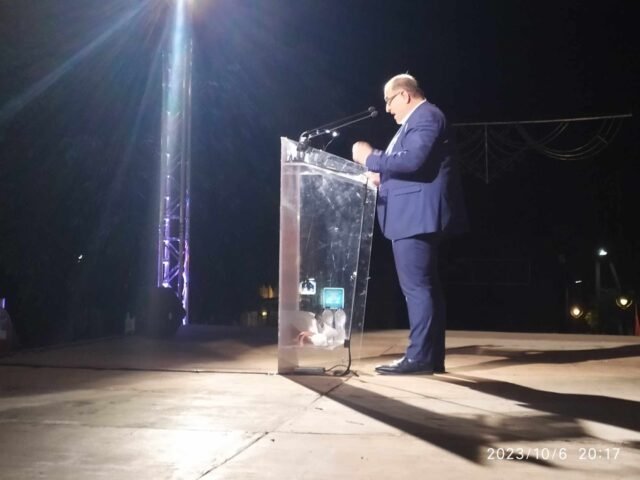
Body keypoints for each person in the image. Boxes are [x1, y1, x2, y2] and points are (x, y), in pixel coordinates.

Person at [352, 74, 467, 375]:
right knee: (425, 288)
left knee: (417, 288)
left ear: (404, 95)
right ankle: (431, 357)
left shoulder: (426, 116)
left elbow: (413, 160)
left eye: (389, 101)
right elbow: (412, 166)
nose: (387, 109)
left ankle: (419, 358)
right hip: (413, 214)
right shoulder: (417, 121)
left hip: (416, 216)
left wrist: (370, 158)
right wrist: (382, 177)